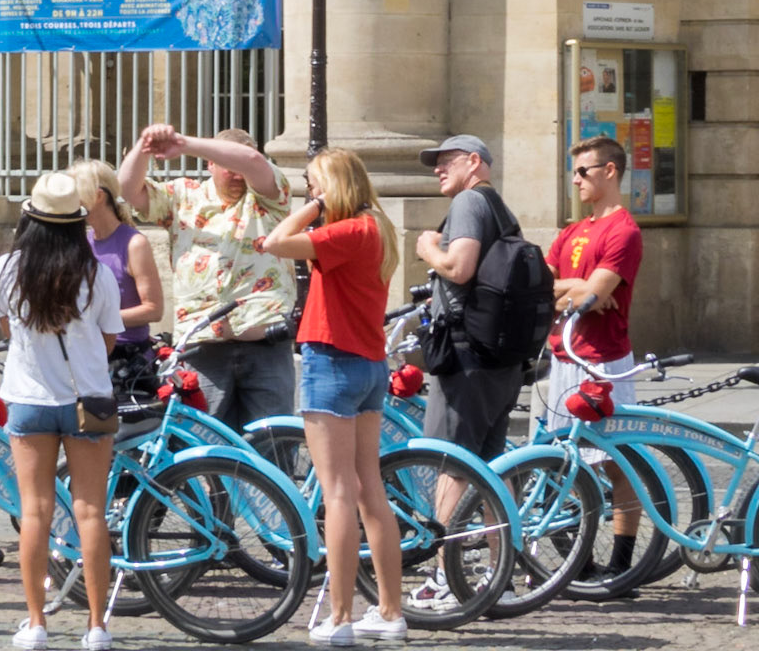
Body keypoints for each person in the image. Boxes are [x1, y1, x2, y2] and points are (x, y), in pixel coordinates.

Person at [260, 149, 406, 646]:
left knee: (339, 492)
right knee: (369, 490)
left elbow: (274, 242)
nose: (307, 192)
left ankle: (340, 616)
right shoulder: (379, 228)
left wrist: (315, 207)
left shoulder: (347, 231)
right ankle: (389, 610)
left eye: (312, 184)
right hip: (368, 364)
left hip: (332, 361)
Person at [0, 169, 124, 651]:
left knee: (36, 512)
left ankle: (36, 623)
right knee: (91, 513)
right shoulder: (97, 273)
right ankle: (96, 627)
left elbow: (4, 328)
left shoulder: (8, 268)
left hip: (28, 398)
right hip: (88, 401)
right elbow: (110, 338)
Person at [117, 121, 295, 428]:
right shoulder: (183, 196)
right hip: (203, 344)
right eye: (228, 165)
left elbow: (251, 163)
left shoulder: (269, 196)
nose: (237, 174)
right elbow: (127, 189)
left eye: (239, 164)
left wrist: (182, 142)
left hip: (264, 339)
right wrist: (145, 146)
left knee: (273, 445)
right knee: (204, 445)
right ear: (210, 164)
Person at [545, 135, 645, 588]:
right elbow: (541, 289)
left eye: (583, 171)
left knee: (614, 460)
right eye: (574, 172)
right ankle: (576, 561)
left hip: (602, 360)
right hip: (562, 353)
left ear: (610, 171)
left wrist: (581, 290)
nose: (576, 179)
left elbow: (595, 295)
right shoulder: (571, 230)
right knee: (560, 460)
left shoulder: (623, 229)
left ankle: (621, 562)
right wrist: (579, 286)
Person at [413, 134, 526, 463]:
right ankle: (503, 518)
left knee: (449, 462)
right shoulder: (500, 210)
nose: (438, 169)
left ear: (474, 162)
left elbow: (459, 268)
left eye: (447, 161)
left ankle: (444, 519)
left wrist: (428, 248)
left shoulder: (467, 202)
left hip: (466, 358)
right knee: (489, 467)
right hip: (500, 359)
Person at [70, 157, 163, 354]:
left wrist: (97, 319)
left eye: (76, 194)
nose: (72, 201)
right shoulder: (84, 241)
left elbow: (154, 309)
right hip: (90, 350)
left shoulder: (134, 244)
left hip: (126, 354)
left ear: (98, 196)